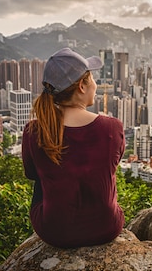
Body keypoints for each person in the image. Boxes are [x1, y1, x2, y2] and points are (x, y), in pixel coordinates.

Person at [22, 47, 125, 248]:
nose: (96, 84)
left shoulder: (34, 131)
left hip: (54, 232)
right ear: (81, 86)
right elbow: (112, 166)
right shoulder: (112, 128)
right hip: (106, 227)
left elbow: (31, 174)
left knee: (43, 179)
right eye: (93, 78)